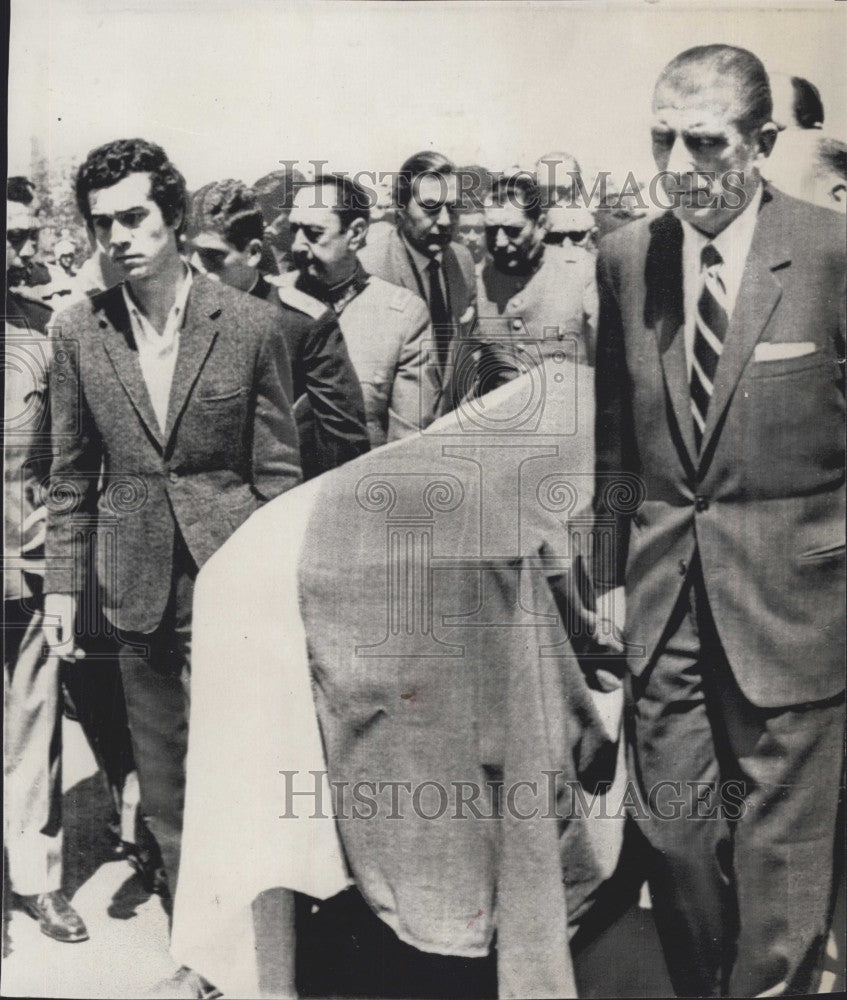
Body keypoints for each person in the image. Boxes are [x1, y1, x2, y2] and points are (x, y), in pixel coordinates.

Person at [592, 44, 845, 997]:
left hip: (801, 608)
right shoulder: (625, 260)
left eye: (704, 144)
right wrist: (607, 575)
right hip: (665, 606)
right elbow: (613, 447)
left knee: (782, 860)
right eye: (661, 139)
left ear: (764, 142)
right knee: (675, 834)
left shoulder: (829, 255)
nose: (677, 168)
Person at [42, 139, 302, 999]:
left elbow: (277, 474)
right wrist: (68, 586)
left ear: (175, 219)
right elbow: (73, 471)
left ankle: (266, 946)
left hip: (236, 581)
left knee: (243, 767)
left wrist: (277, 583)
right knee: (167, 782)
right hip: (137, 582)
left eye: (134, 217)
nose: (117, 236)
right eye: (101, 222)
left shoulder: (252, 324)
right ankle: (201, 957)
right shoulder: (79, 329)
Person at [4, 179, 89, 944]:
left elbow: (67, 463)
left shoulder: (44, 332)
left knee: (35, 728)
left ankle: (39, 880)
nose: (24, 250)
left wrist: (62, 570)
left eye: (28, 235)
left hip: (24, 565)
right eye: (12, 237)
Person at [188, 178, 370, 477]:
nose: (197, 271)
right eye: (190, 255)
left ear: (253, 253)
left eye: (213, 257)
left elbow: (343, 450)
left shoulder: (302, 324)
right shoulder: (175, 314)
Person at [287, 174, 439, 447]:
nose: (297, 245)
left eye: (313, 233)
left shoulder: (402, 317)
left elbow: (407, 443)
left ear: (356, 233)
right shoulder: (270, 299)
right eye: (294, 231)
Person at [358, 150, 476, 412]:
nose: (445, 221)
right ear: (400, 208)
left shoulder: (462, 260)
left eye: (453, 208)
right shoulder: (369, 270)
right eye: (431, 207)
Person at [465, 173, 597, 400]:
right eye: (491, 230)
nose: (500, 242)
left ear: (541, 225)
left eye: (514, 231)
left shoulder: (581, 272)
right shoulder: (477, 281)